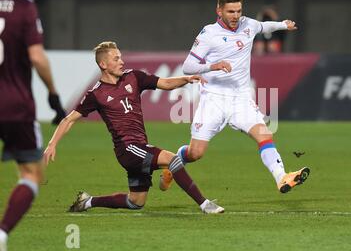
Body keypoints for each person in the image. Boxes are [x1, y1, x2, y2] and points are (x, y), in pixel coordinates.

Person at [43, 41, 224, 218]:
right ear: (103, 64)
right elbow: (68, 120)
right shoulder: (96, 94)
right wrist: (52, 144)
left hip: (139, 147)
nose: (121, 61)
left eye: (121, 57)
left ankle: (88, 201)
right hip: (128, 149)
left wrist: (186, 79)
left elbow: (165, 83)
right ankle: (204, 204)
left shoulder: (134, 77)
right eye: (116, 58)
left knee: (135, 202)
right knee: (173, 160)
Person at [176, 0, 310, 194]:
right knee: (196, 153)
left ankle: (281, 177)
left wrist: (284, 25)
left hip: (240, 98)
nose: (235, 16)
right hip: (214, 99)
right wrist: (213, 66)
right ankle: (173, 165)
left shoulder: (248, 24)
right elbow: (188, 66)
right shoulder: (209, 34)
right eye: (230, 11)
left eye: (238, 10)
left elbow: (265, 26)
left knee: (264, 134)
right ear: (219, 11)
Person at [0, 0, 66, 251]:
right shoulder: (24, 6)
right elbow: (37, 58)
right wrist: (53, 95)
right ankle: (1, 234)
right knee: (31, 173)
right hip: (14, 105)